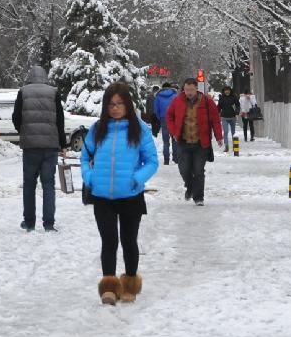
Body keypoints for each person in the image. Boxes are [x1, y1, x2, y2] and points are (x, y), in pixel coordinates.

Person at [81, 82, 159, 306]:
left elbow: (151, 161)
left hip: (131, 195)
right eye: (111, 104)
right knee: (109, 240)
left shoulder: (139, 129)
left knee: (128, 240)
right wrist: (90, 177)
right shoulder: (98, 129)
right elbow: (85, 157)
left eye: (119, 104)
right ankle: (108, 287)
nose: (115, 108)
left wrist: (138, 178)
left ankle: (130, 284)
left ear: (128, 105)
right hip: (102, 196)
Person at [11, 65, 67, 232]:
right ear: (45, 77)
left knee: (29, 185)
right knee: (48, 185)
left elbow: (16, 117)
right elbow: (60, 120)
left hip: (30, 147)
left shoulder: (23, 92)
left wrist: (23, 130)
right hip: (50, 146)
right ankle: (49, 223)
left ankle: (29, 222)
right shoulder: (53, 92)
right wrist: (63, 144)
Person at [165, 78, 222, 206]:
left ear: (196, 89)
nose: (189, 92)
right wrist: (173, 131)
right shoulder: (177, 100)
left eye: (191, 89)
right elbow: (169, 116)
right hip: (183, 141)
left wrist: (219, 136)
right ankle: (190, 187)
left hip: (200, 143)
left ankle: (198, 197)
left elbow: (215, 119)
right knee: (184, 170)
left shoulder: (207, 101)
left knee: (198, 170)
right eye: (186, 89)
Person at [151, 82, 178, 165]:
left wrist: (161, 118)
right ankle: (176, 158)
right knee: (174, 140)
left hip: (164, 119)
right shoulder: (175, 96)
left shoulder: (158, 97)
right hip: (174, 119)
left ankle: (166, 160)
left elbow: (156, 110)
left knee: (165, 141)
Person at [216, 86, 240, 152]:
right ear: (223, 91)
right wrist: (216, 113)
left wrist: (237, 112)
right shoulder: (222, 98)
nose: (227, 91)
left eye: (228, 90)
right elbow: (219, 107)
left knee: (233, 132)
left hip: (232, 117)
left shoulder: (234, 97)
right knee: (225, 132)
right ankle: (226, 146)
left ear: (230, 91)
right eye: (225, 90)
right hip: (224, 117)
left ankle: (234, 146)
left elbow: (238, 105)